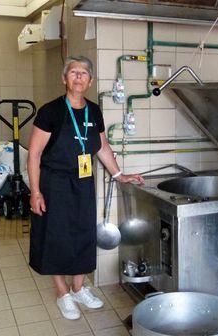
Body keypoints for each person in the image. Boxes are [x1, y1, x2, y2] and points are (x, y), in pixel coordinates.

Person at [27, 56, 144, 320]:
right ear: (64, 78)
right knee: (56, 236)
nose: (78, 77)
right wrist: (35, 192)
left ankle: (79, 288)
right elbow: (34, 154)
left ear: (90, 81)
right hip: (54, 183)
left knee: (82, 234)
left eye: (84, 73)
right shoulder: (50, 111)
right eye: (73, 72)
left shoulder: (94, 110)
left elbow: (101, 146)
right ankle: (62, 293)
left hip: (83, 182)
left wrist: (119, 174)